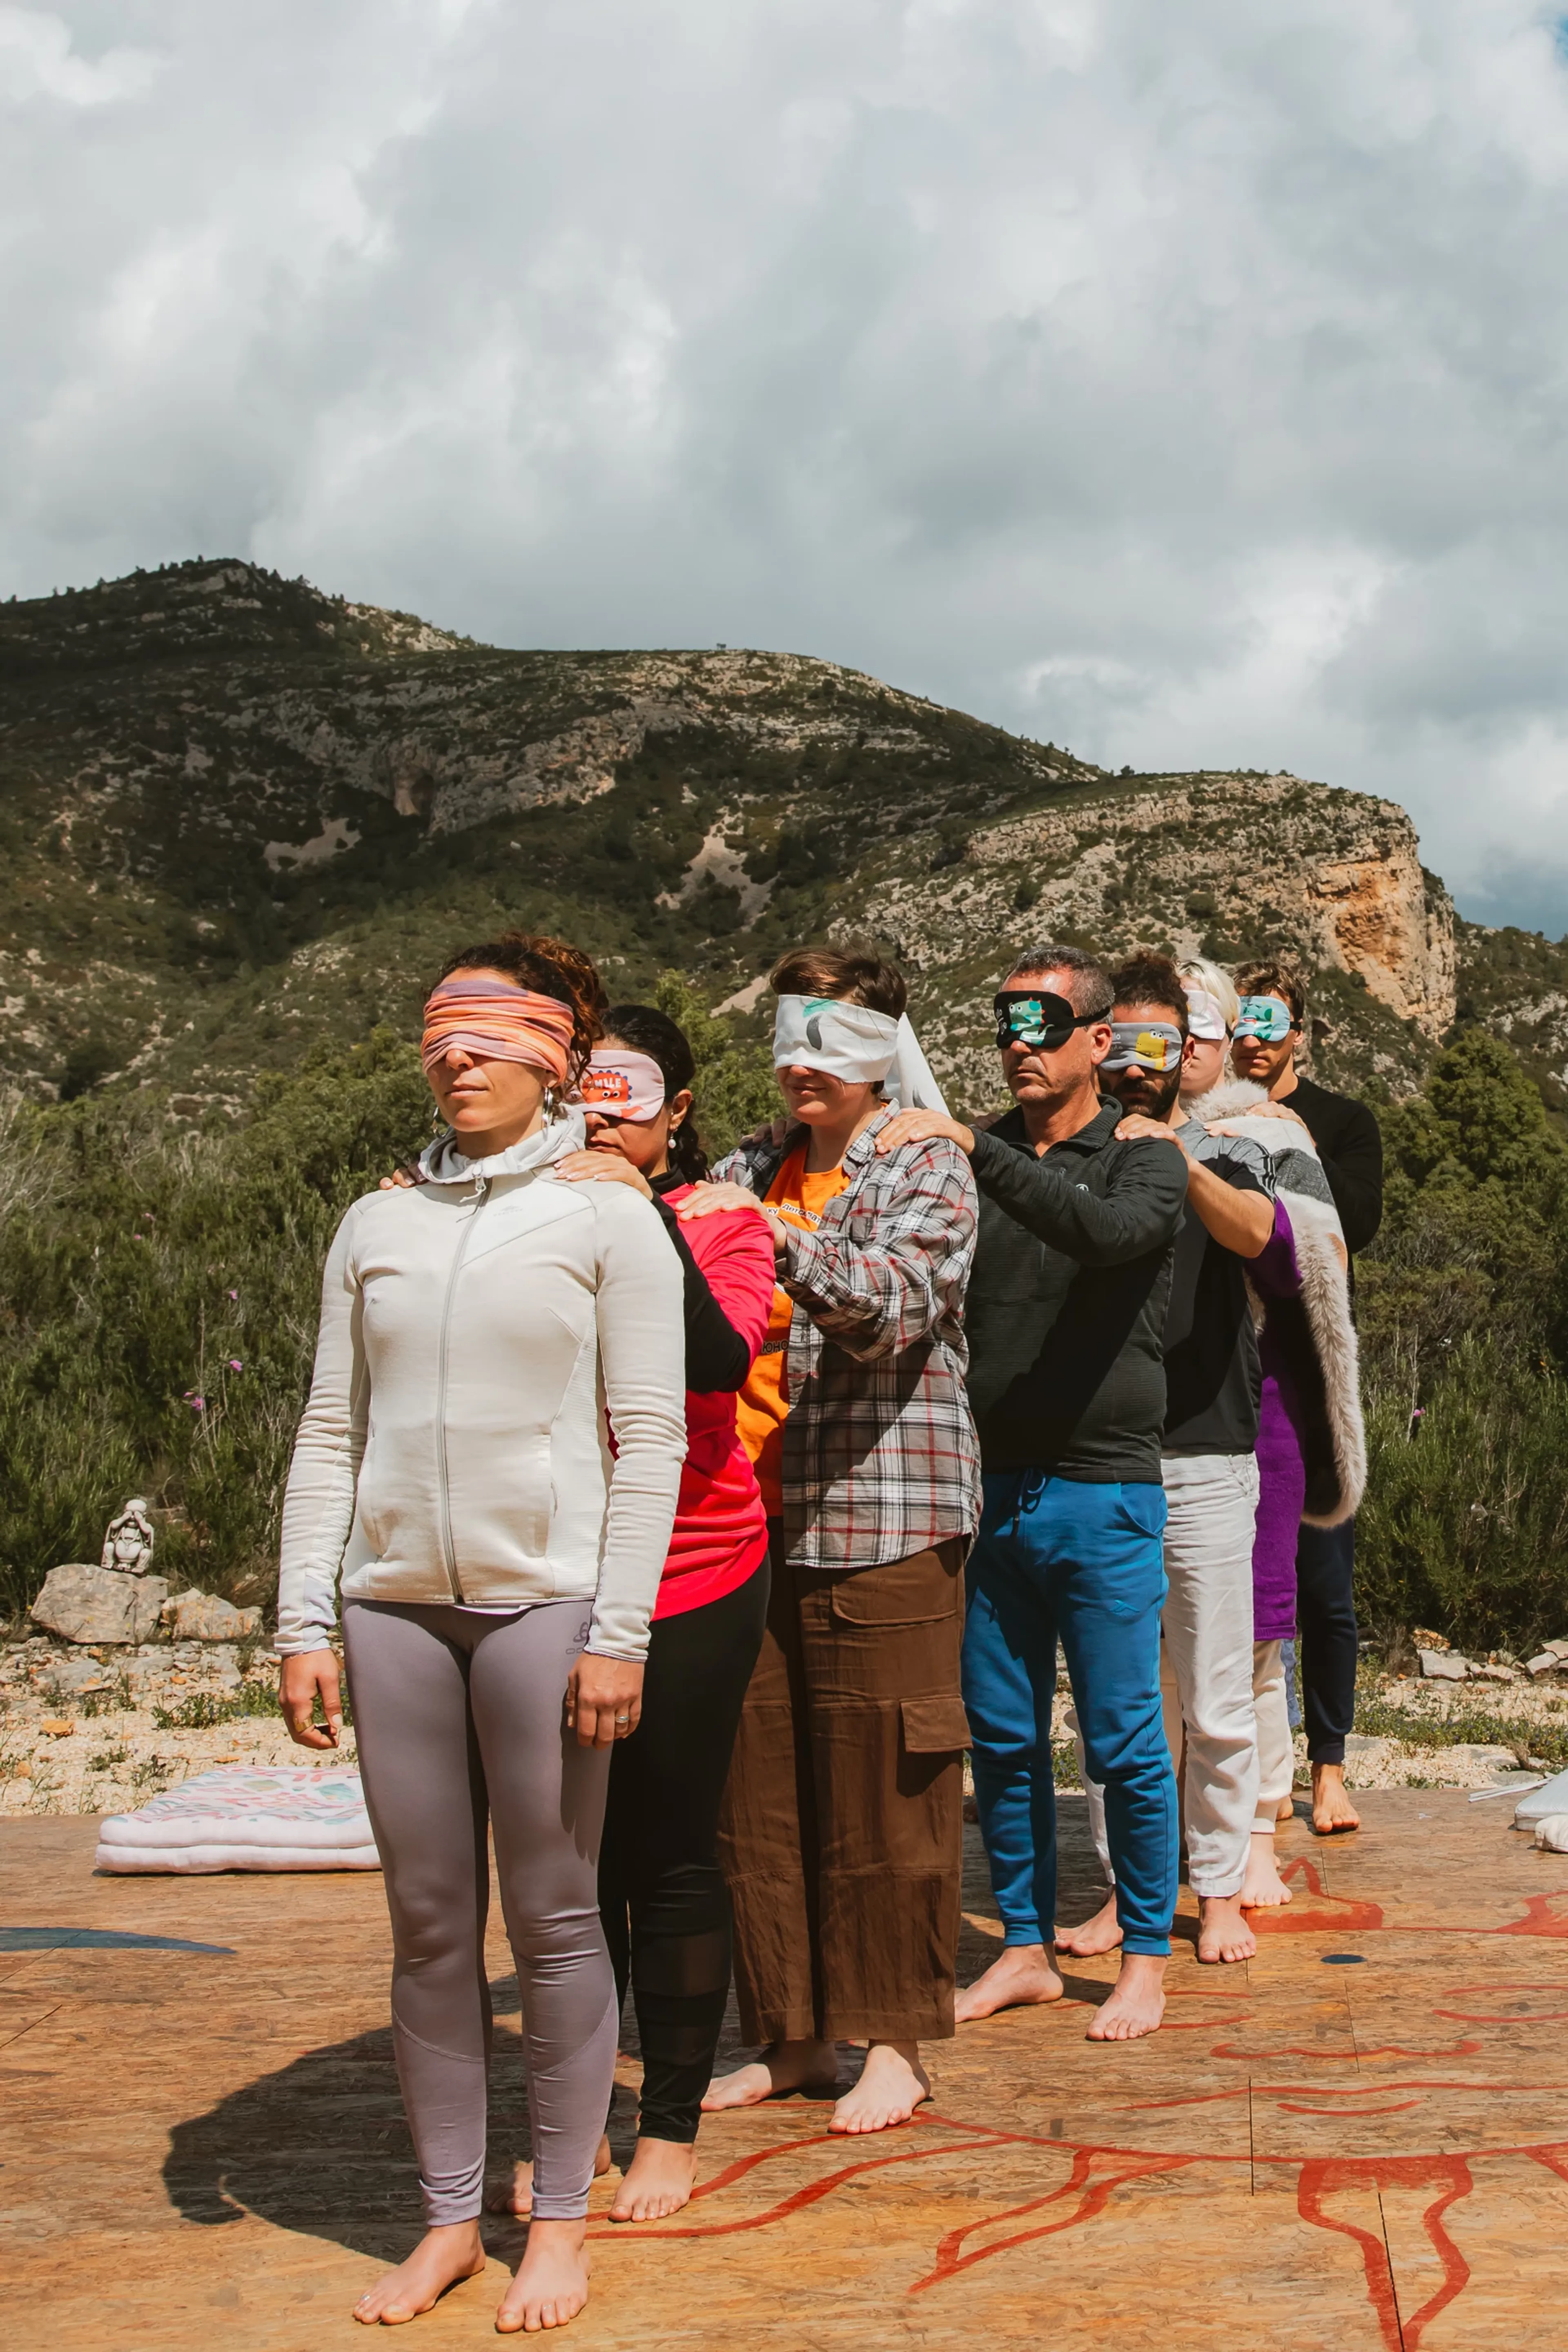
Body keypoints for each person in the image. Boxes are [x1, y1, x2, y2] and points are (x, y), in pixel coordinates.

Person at [275, 934, 688, 2334]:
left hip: (548, 1604)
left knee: (560, 1920)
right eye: (441, 1035)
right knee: (430, 1923)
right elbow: (332, 1431)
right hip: (392, 1608)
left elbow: (654, 1440)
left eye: (491, 1036)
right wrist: (304, 1616)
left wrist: (620, 1629)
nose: (457, 1056)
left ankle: (557, 2222)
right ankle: (451, 2219)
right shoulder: (373, 1224)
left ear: (553, 1056)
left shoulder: (608, 1217)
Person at [483, 1004, 777, 2227]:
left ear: (681, 1108)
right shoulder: (530, 1212)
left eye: (633, 1092)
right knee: (565, 1864)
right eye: (589, 1089)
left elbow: (716, 1359)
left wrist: (631, 1205)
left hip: (697, 1563)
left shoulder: (725, 1220)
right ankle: (578, 2117)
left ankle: (671, 2126)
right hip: (552, 1560)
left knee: (663, 1847)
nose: (608, 1110)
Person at [689, 946, 980, 2134]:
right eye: (789, 1037)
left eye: (831, 1039)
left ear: (879, 1047)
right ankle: (794, 2033)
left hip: (885, 1517)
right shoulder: (745, 1163)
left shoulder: (928, 1163)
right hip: (744, 1522)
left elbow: (898, 1304)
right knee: (754, 1792)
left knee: (888, 1785)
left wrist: (764, 1238)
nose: (802, 1062)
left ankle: (897, 2040)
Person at [878, 946, 1188, 2041]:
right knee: (1001, 1740)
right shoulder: (977, 1154)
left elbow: (1108, 1236)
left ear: (1099, 1041)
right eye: (1005, 1020)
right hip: (987, 1492)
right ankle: (1023, 1949)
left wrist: (972, 1151)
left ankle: (1146, 1955)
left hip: (1104, 1494)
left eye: (1042, 1021)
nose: (1017, 1039)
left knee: (1123, 1739)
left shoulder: (1144, 1156)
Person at [1068, 953, 1277, 1965]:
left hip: (1204, 1453)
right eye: (1127, 1040)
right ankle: (1129, 1891)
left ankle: (1223, 1887)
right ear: (1100, 1045)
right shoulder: (1068, 1155)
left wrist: (1179, 1161)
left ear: (1189, 1051)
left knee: (1215, 1689)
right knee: (1121, 1698)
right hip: (1100, 1459)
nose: (1145, 1061)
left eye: (1167, 1042)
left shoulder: (1225, 1154)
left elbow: (1259, 1237)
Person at [1194, 1056, 1366, 1884]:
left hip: (1273, 1405)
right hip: (1158, 1425)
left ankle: (1282, 1804)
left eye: (1197, 1029)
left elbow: (1315, 1254)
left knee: (1280, 1623)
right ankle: (1161, 1855)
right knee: (1151, 1657)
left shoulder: (1284, 1131)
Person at [1229, 959, 1383, 1835]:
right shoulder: (1206, 1121)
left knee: (1324, 1583)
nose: (1251, 1035)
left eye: (1267, 1019)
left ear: (1299, 1032)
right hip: (1228, 1376)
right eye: (1238, 1020)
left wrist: (1293, 1138)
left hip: (1312, 1373)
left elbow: (1357, 1217)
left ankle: (1328, 1768)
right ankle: (1242, 1769)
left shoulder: (1343, 1122)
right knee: (1235, 1585)